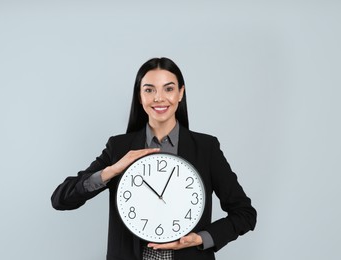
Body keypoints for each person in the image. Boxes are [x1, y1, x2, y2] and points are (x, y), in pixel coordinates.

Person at [51, 57, 257, 260]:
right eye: (149, 90)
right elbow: (60, 199)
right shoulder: (119, 147)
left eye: (168, 89)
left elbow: (245, 214)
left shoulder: (206, 148)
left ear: (180, 93)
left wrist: (199, 239)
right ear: (140, 97)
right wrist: (112, 170)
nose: (159, 98)